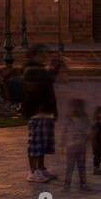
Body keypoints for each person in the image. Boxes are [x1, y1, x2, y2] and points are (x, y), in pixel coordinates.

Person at [22, 45, 63, 182]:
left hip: (45, 111)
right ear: (34, 55)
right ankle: (33, 172)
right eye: (42, 54)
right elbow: (42, 85)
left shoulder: (38, 69)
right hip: (37, 111)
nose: (45, 56)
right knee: (36, 144)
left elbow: (48, 80)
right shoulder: (31, 69)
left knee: (43, 143)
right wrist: (54, 67)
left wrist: (54, 67)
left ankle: (41, 168)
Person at [59, 98, 93, 191]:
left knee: (81, 167)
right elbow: (64, 132)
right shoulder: (68, 119)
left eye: (77, 107)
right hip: (70, 148)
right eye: (72, 107)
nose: (74, 109)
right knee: (69, 167)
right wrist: (62, 144)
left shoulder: (85, 119)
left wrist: (86, 141)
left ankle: (83, 184)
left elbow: (89, 132)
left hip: (81, 148)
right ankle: (67, 184)